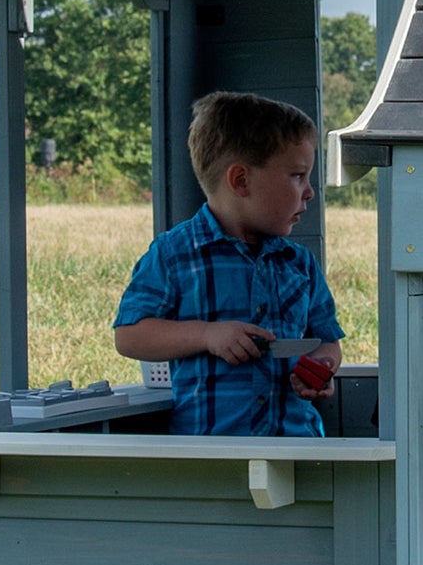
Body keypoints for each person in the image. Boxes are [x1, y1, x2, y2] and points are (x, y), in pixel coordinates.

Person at [114, 90, 344, 436]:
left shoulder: (299, 263)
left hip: (298, 450)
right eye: (298, 176)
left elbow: (327, 340)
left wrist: (321, 368)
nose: (310, 192)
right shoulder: (174, 254)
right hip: (211, 456)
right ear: (241, 181)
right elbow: (130, 335)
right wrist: (207, 334)